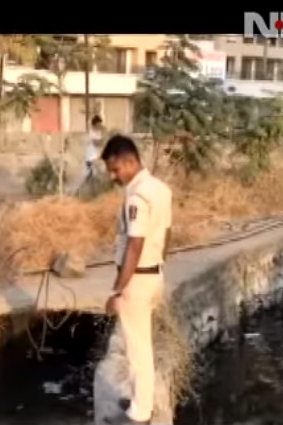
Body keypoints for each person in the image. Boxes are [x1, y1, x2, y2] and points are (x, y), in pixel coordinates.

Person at [100, 134, 172, 425]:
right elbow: (167, 234)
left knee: (137, 349)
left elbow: (134, 245)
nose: (113, 176)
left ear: (130, 161)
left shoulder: (137, 195)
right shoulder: (160, 189)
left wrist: (117, 290)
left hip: (137, 281)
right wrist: (159, 264)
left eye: (116, 169)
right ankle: (140, 400)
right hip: (153, 274)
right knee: (142, 345)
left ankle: (139, 414)